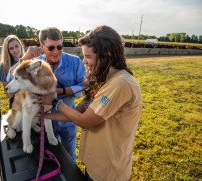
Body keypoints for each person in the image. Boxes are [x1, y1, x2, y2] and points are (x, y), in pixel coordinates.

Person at [35, 25, 142, 181]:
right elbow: (77, 114)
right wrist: (45, 115)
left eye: (88, 56)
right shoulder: (104, 79)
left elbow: (85, 121)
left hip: (108, 171)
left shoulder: (121, 83)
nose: (84, 61)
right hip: (96, 164)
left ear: (107, 55)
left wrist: (55, 101)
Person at [22, 27, 86, 162]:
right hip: (44, 120)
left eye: (60, 47)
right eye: (51, 48)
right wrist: (24, 58)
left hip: (68, 117)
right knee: (52, 156)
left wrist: (56, 92)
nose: (56, 52)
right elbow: (14, 80)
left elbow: (84, 88)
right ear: (42, 46)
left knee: (70, 155)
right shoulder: (36, 63)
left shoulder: (74, 62)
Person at [0, 35, 25, 108]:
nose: (15, 50)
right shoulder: (4, 66)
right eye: (11, 48)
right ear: (7, 50)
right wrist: (16, 102)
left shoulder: (27, 61)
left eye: (16, 46)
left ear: (20, 46)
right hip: (16, 103)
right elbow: (7, 90)